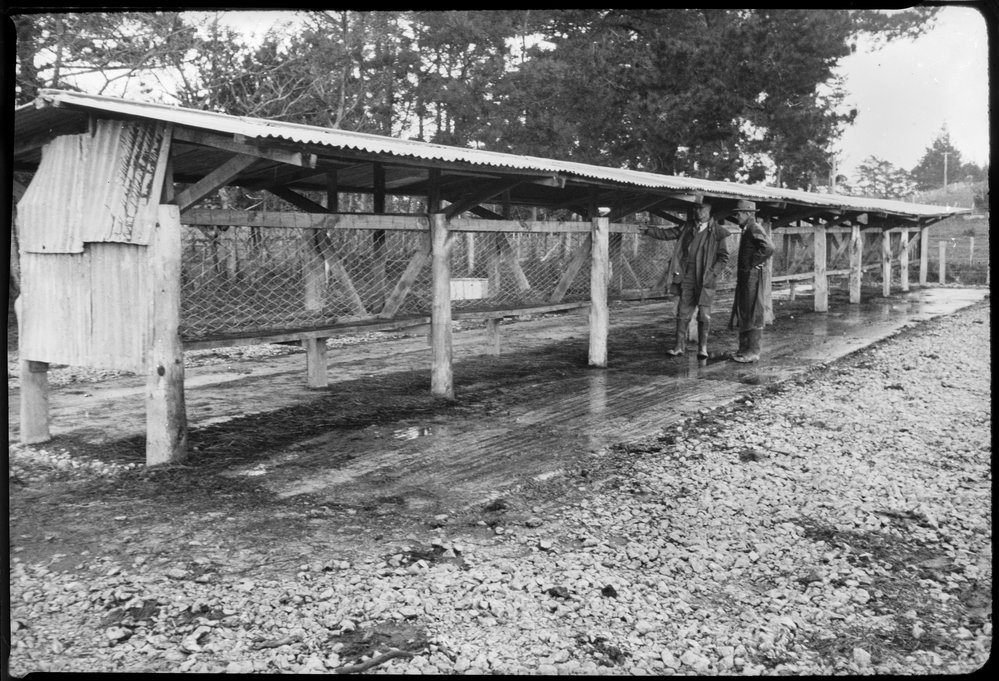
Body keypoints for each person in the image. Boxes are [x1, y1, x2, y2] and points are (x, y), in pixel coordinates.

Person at [643, 202, 730, 359]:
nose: (699, 212)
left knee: (704, 314)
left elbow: (723, 258)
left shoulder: (718, 232)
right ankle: (679, 347)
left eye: (703, 209)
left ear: (710, 211)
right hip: (687, 276)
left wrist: (712, 273)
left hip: (705, 279)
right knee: (683, 312)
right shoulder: (687, 227)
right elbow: (667, 233)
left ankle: (702, 348)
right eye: (696, 209)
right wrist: (648, 230)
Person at [728, 200, 775, 363]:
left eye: (739, 213)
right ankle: (743, 350)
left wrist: (753, 263)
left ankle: (753, 352)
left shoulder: (755, 228)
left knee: (753, 311)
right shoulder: (747, 229)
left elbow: (769, 248)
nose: (737, 216)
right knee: (744, 311)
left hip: (752, 277)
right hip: (745, 277)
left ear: (748, 214)